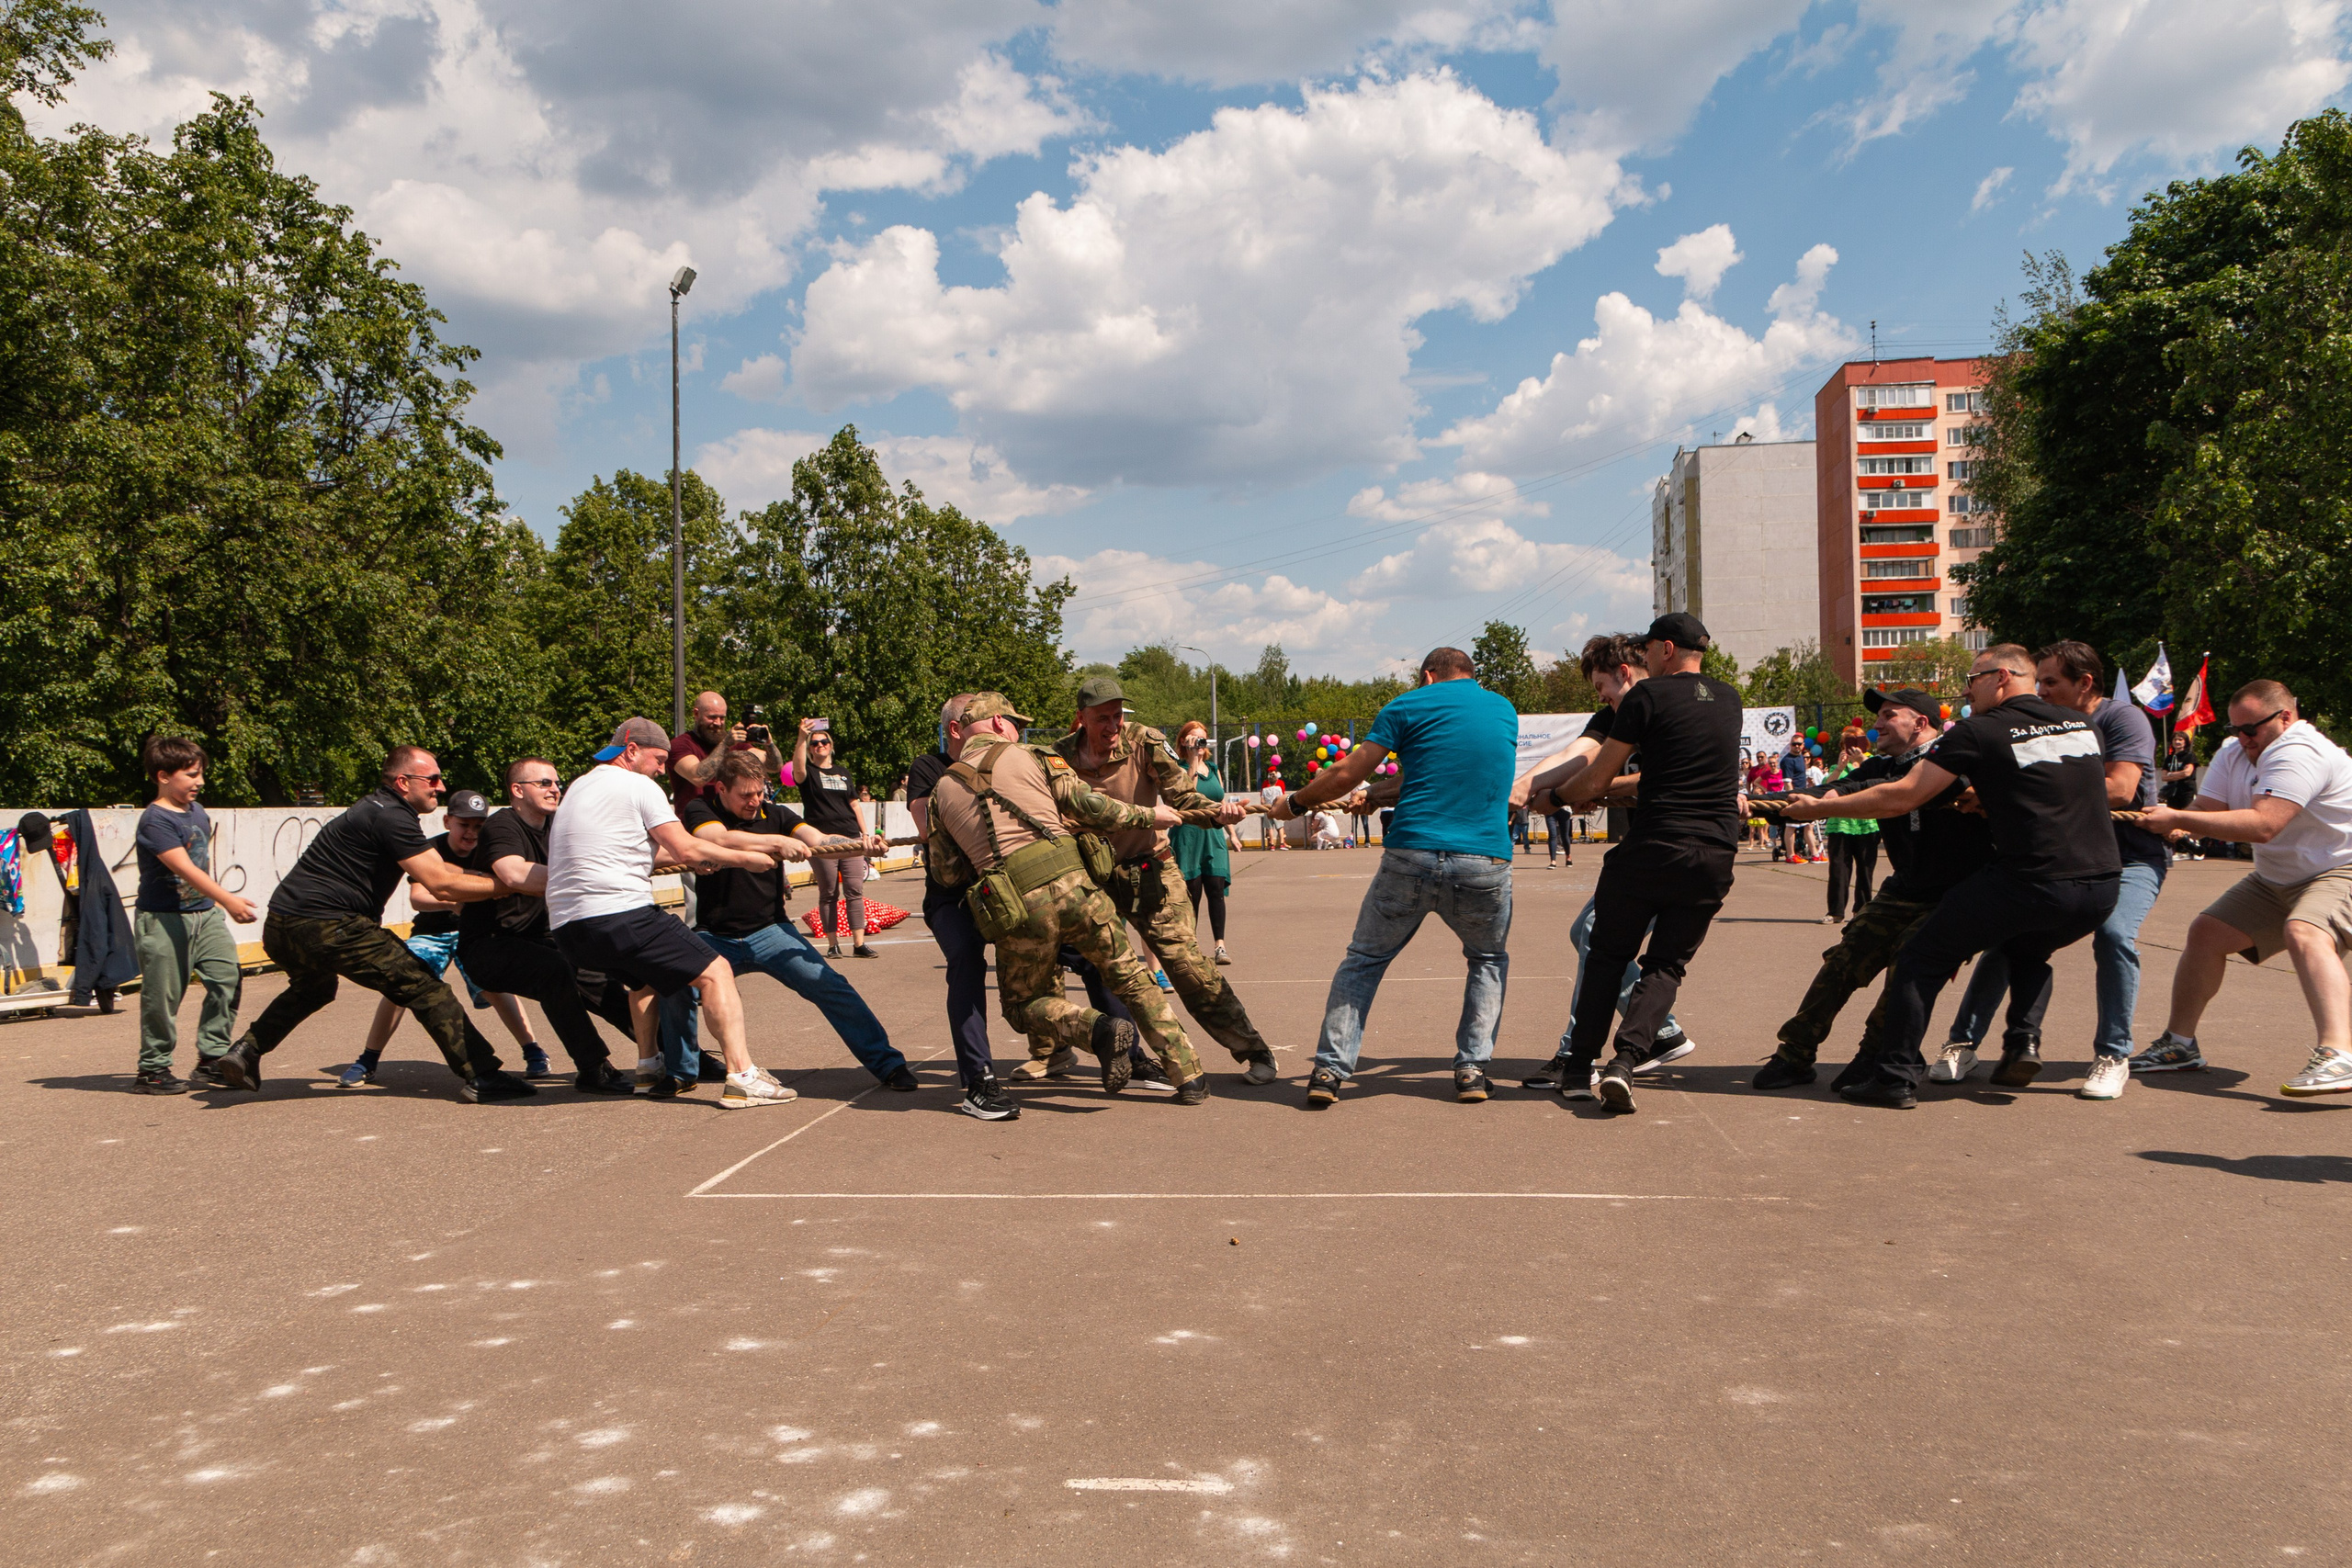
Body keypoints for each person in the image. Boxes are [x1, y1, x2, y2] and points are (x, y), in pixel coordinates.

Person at [1779, 643, 2120, 1107]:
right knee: (2027, 949)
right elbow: (2049, 783)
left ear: (2000, 677)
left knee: (1920, 960)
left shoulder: (1980, 730)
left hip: (2030, 879)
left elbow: (1903, 796)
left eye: (1972, 680)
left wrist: (1823, 807)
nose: (1966, 692)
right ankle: (2022, 1042)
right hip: (2101, 887)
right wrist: (1986, 793)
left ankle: (1893, 1075)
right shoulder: (2080, 724)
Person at [201, 746, 531, 1101]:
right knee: (425, 987)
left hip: (283, 924)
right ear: (404, 782)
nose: (440, 786)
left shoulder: (376, 809)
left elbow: (438, 868)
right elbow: (440, 882)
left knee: (313, 989)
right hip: (332, 924)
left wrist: (486, 877)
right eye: (432, 779)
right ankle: (483, 1075)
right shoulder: (393, 816)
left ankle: (246, 1052)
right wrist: (507, 886)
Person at [922, 692, 1207, 1100]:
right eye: (1015, 722)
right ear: (1000, 724)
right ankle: (1189, 1075)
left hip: (1017, 907)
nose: (1019, 729)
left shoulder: (940, 791)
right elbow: (1089, 805)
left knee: (1023, 1004)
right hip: (1078, 886)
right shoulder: (1034, 756)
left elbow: (947, 874)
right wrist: (1148, 815)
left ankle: (1096, 1029)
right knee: (1130, 976)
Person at [1270, 647, 1517, 1106]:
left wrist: (1296, 803)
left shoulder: (1407, 706)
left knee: (1363, 960)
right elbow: (1430, 774)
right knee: (1487, 960)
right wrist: (1379, 794)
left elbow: (1346, 771)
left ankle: (1328, 1072)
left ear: (1428, 676)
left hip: (1412, 855)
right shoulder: (1503, 708)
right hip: (1484, 861)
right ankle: (1472, 1070)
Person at [1929, 641, 2167, 1100]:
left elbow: (2120, 789)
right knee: (2006, 940)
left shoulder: (2122, 718)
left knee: (2115, 936)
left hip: (2128, 858)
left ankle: (2113, 1055)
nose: (2041, 690)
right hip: (2059, 860)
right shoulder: (2040, 721)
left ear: (2086, 684)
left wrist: (2006, 789)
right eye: (2038, 681)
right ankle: (1963, 1043)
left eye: (2052, 682)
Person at [1751, 689, 1993, 1091]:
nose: (1876, 724)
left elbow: (1889, 790)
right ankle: (1794, 1054)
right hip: (1903, 889)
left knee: (1907, 969)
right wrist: (1751, 800)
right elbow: (1837, 791)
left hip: (1956, 896)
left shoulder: (1955, 765)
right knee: (1843, 961)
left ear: (1920, 723)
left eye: (1888, 715)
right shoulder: (1882, 765)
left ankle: (1876, 1055)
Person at [548, 717, 794, 1108]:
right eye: (658, 759)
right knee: (716, 972)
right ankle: (743, 1077)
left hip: (569, 931)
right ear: (630, 750)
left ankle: (648, 1069)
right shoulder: (638, 785)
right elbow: (687, 848)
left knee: (647, 979)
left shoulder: (579, 786)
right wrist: (747, 858)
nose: (663, 769)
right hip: (620, 914)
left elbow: (649, 853)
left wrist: (711, 861)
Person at [1552, 613, 1744, 1113]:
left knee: (1607, 957)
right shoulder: (1729, 698)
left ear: (1663, 649)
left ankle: (1578, 1071)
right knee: (1666, 966)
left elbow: (1595, 780)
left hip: (1653, 847)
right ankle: (1626, 1063)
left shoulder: (1646, 697)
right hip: (1714, 853)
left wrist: (1555, 798)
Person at [1052, 677, 1275, 1085]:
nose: (1113, 725)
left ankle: (1254, 1051)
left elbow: (1184, 798)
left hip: (1149, 869)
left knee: (1188, 968)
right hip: (1093, 877)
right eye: (1103, 718)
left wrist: (1217, 813)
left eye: (1118, 715)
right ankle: (1083, 1053)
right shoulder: (1057, 758)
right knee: (1090, 966)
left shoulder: (1144, 741)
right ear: (1081, 718)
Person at [2135, 680, 2352, 1096]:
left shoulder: (2299, 751)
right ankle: (2179, 1046)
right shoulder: (2235, 752)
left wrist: (2177, 819)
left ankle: (2338, 1054)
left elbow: (2265, 825)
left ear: (2286, 717)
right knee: (2207, 932)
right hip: (2278, 877)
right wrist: (2166, 820)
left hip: (2340, 868)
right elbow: (2206, 810)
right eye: (2235, 729)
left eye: (2251, 728)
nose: (2242, 738)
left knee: (2304, 931)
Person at [657, 748, 915, 1092]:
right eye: (745, 795)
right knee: (674, 983)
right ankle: (681, 1071)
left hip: (770, 931)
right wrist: (776, 842)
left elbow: (822, 840)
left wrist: (861, 845)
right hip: (715, 935)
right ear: (721, 789)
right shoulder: (700, 810)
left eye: (760, 792)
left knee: (831, 986)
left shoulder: (777, 814)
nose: (755, 801)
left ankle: (889, 1065)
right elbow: (716, 839)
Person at [1516, 633, 1694, 1092]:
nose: (1602, 699)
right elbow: (1579, 756)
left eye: (1602, 687)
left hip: (1680, 848)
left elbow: (1648, 777)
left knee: (1597, 934)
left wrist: (1588, 791)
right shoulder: (1615, 715)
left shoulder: (1672, 705)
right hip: (1645, 849)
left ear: (1626, 673)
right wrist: (1525, 785)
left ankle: (1577, 1052)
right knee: (1588, 933)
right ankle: (1662, 1031)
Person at [450, 760, 644, 1095]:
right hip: (488, 946)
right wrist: (588, 876)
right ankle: (593, 1067)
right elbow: (513, 873)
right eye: (543, 783)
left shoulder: (561, 825)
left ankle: (678, 1053)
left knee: (601, 979)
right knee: (554, 971)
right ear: (517, 790)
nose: (555, 788)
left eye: (557, 782)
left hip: (542, 939)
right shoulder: (502, 826)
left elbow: (610, 853)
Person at [343, 790, 549, 1089]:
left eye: (478, 826)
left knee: (494, 985)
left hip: (476, 934)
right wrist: (454, 901)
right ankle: (367, 1060)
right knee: (398, 985)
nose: (471, 832)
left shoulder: (494, 849)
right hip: (432, 933)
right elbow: (418, 897)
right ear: (448, 820)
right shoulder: (429, 850)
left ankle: (533, 1051)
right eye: (464, 824)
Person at [907, 694, 1018, 1121]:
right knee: (967, 962)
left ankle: (1130, 1055)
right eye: (986, 721)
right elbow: (923, 825)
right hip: (952, 897)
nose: (997, 728)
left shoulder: (1010, 764)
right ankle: (979, 1081)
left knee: (1079, 947)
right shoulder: (930, 768)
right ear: (957, 729)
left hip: (1009, 889)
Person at [130, 737, 257, 1093]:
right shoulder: (154, 821)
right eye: (191, 775)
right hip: (164, 920)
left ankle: (211, 1059)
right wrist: (228, 900)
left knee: (226, 978)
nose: (199, 782)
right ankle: (152, 1069)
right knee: (163, 997)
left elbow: (203, 860)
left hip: (204, 914)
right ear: (163, 776)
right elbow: (185, 868)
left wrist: (214, 905)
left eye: (200, 774)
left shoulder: (196, 811)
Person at [792, 718, 874, 958]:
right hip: (822, 842)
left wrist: (865, 834)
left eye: (824, 741)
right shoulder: (808, 774)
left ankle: (859, 944)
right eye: (814, 743)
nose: (820, 745)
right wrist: (801, 738)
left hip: (850, 838)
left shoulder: (843, 772)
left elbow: (855, 805)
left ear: (831, 745)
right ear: (810, 749)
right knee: (828, 892)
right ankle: (832, 944)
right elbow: (797, 770)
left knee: (855, 891)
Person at [1166, 721, 1238, 965]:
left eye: (1202, 738)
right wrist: (1193, 760)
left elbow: (1221, 804)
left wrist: (1232, 833)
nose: (1199, 743)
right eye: (1194, 738)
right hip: (1188, 835)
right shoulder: (1177, 769)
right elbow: (1188, 796)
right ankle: (1191, 946)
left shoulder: (1214, 768)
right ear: (1184, 741)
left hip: (1213, 836)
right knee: (1192, 894)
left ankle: (1220, 946)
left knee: (1216, 890)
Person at [666, 691, 778, 812]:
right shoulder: (681, 744)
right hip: (695, 822)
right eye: (712, 717)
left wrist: (769, 744)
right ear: (696, 714)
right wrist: (725, 744)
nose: (718, 723)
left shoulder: (737, 745)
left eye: (722, 718)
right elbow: (698, 777)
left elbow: (773, 766)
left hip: (730, 821)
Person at [1822, 732, 1880, 925]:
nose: (1854, 747)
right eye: (1849, 743)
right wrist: (1839, 767)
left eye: (1859, 742)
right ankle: (1835, 912)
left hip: (1867, 823)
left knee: (1865, 869)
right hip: (1841, 823)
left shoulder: (1872, 762)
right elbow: (1826, 789)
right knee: (1838, 869)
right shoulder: (1837, 766)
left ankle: (1862, 911)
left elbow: (1881, 780)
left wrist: (1861, 759)